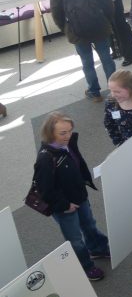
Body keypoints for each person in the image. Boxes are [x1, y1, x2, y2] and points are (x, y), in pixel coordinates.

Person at [33, 113, 109, 281]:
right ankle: (86, 266)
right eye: (63, 133)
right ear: (50, 133)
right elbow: (45, 191)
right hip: (64, 207)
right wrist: (66, 205)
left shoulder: (67, 143)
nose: (68, 135)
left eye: (69, 131)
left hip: (79, 197)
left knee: (90, 225)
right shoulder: (45, 159)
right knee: (75, 240)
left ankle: (98, 248)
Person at [49, 0, 115, 102]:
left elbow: (56, 12)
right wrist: (107, 21)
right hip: (99, 25)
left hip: (76, 29)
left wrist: (66, 29)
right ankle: (115, 90)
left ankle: (94, 92)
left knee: (87, 61)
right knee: (106, 57)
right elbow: (108, 4)